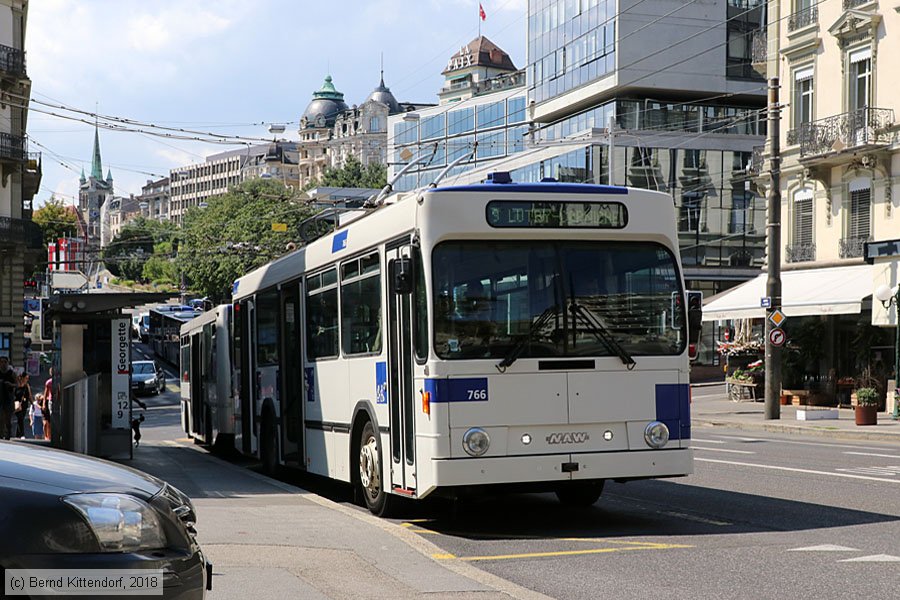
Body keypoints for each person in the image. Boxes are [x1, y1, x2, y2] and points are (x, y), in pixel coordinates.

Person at [0, 356, 17, 441]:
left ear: (8, 363)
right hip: (0, 398)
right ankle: (1, 433)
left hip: (8, 397)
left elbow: (16, 384)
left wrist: (10, 384)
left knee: (8, 417)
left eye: (5, 362)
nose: (3, 364)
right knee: (0, 417)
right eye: (1, 362)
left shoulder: (11, 373)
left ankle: (8, 434)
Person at [13, 373, 32, 439]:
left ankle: (17, 434)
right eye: (26, 378)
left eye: (28, 378)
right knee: (20, 418)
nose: (27, 379)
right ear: (22, 378)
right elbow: (13, 394)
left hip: (24, 405)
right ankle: (22, 434)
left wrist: (32, 403)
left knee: (20, 419)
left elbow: (29, 395)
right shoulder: (17, 386)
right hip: (17, 405)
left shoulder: (27, 386)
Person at [42, 367, 54, 441]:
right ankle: (49, 436)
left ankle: (51, 435)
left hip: (55, 401)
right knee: (50, 418)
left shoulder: (58, 381)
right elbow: (45, 393)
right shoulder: (49, 382)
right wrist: (43, 404)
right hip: (50, 400)